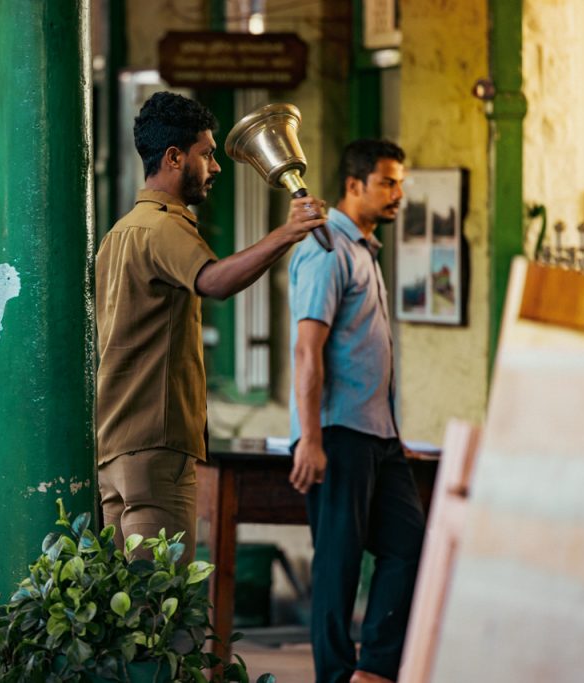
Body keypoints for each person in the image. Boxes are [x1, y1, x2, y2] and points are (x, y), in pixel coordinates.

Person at [95, 91, 327, 563]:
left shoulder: (119, 233)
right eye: (207, 154)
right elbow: (214, 281)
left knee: (125, 607)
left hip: (115, 446)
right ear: (174, 158)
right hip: (157, 445)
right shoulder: (164, 227)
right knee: (159, 602)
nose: (216, 167)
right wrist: (287, 233)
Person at [288, 139, 426, 683]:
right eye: (388, 183)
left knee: (410, 547)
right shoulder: (326, 250)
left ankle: (374, 671)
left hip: (379, 435)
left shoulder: (365, 249)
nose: (398, 194)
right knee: (338, 564)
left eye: (400, 184)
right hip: (337, 430)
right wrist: (312, 438)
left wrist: (393, 429)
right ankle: (334, 674)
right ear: (355, 185)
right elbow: (308, 349)